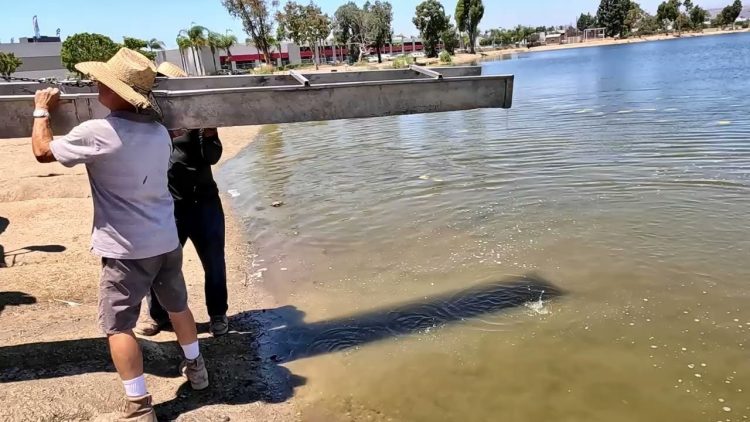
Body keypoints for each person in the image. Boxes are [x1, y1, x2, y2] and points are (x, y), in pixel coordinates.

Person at [30, 48, 208, 421]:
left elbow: (43, 152)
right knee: (178, 307)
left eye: (103, 81)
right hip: (165, 238)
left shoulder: (99, 132)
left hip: (126, 249)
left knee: (118, 326)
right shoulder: (159, 133)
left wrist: (41, 109)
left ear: (117, 93)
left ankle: (140, 404)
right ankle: (197, 370)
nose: (96, 84)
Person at [135, 61, 229, 338]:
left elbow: (211, 157)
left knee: (214, 262)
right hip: (167, 203)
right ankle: (157, 315)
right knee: (160, 261)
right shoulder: (147, 120)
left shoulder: (196, 115)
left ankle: (218, 314)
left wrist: (209, 131)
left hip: (206, 203)